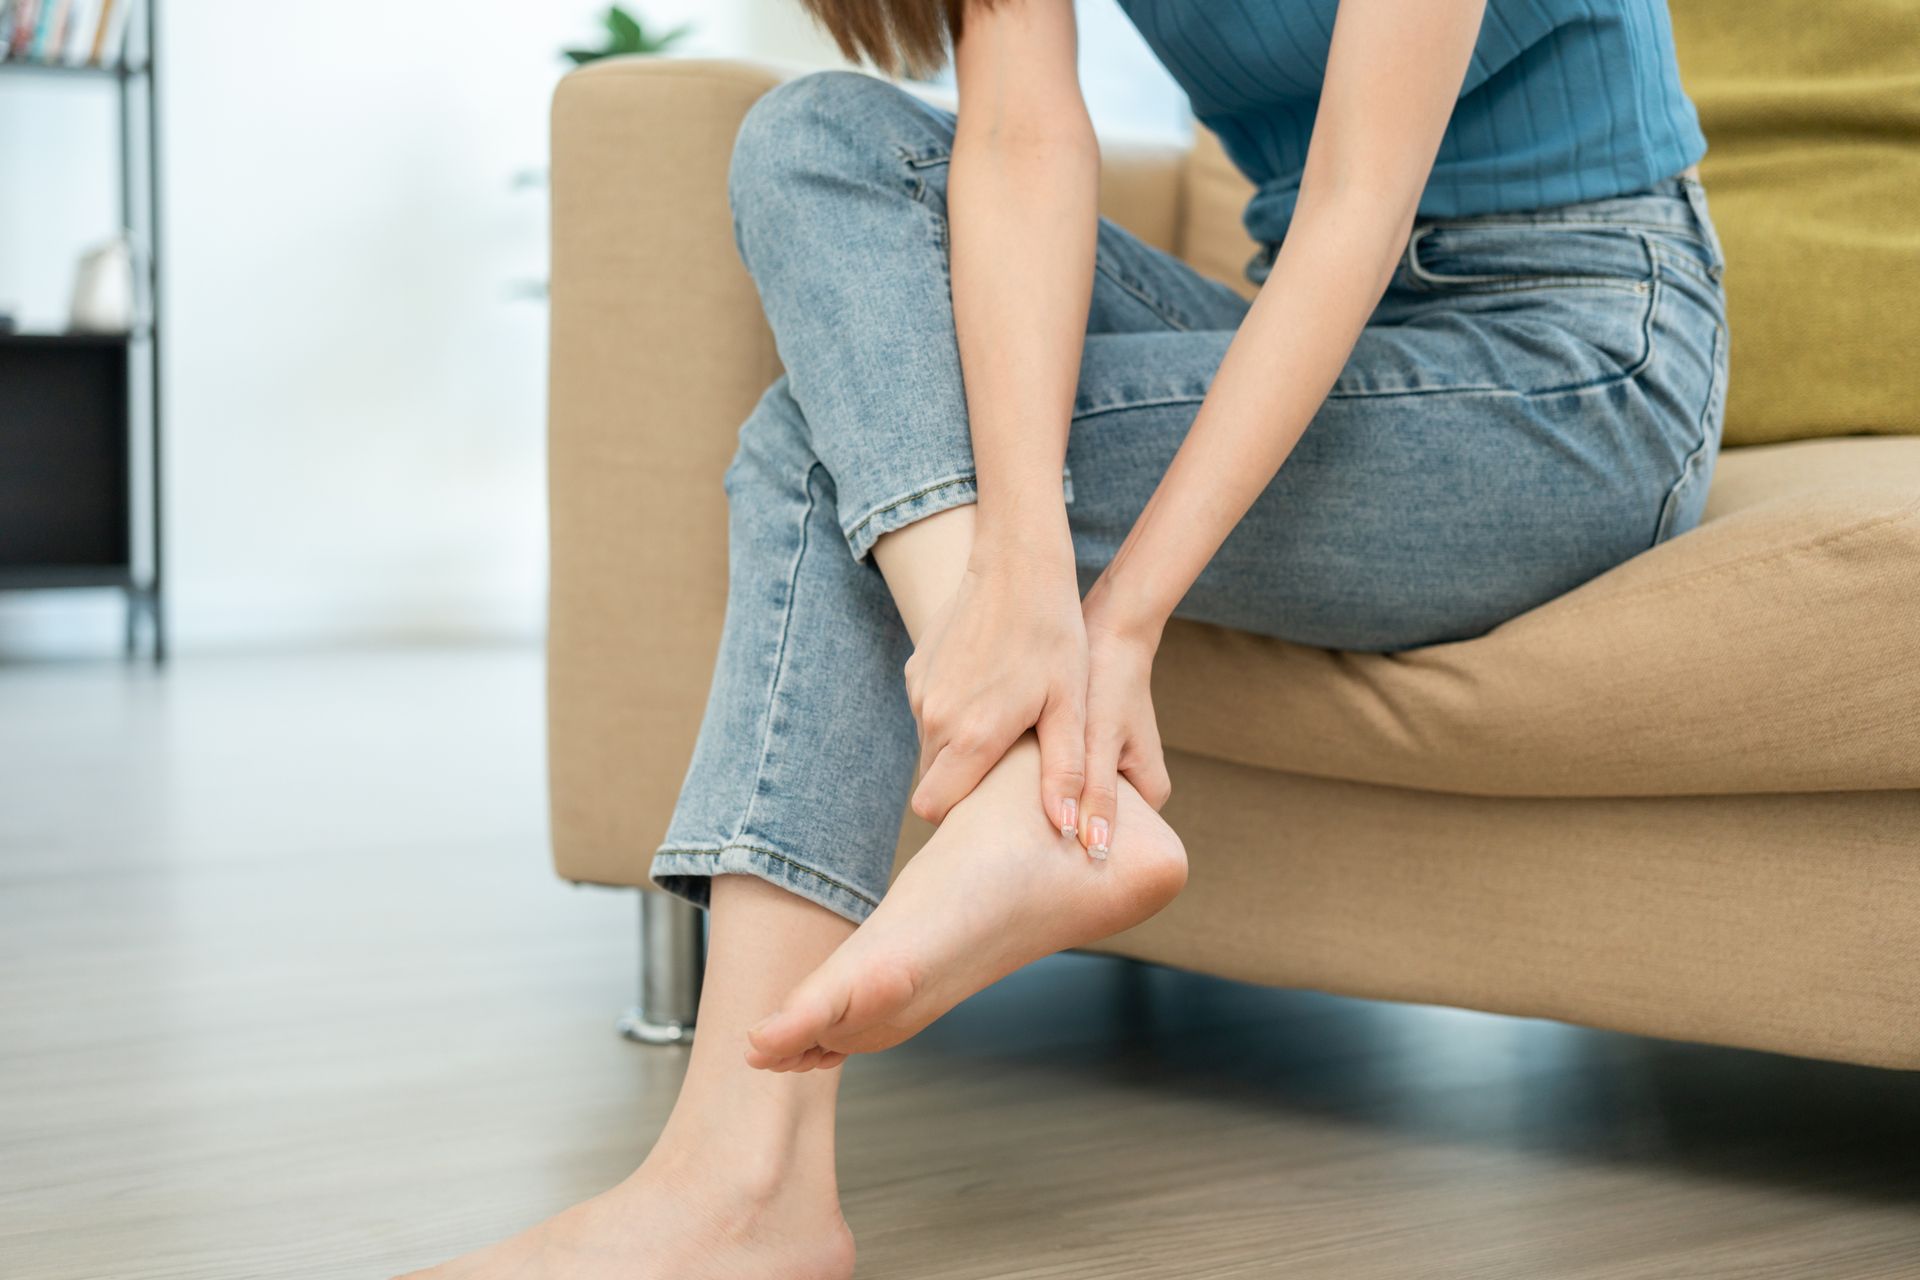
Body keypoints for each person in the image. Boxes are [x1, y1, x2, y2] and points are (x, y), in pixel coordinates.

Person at [410, 1, 1726, 1275]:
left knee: (820, 444)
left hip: (1578, 358)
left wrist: (1127, 614)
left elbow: (1354, 206)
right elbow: (1020, 140)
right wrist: (1021, 559)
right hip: (1322, 341)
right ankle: (1004, 805)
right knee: (816, 141)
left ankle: (737, 1187)